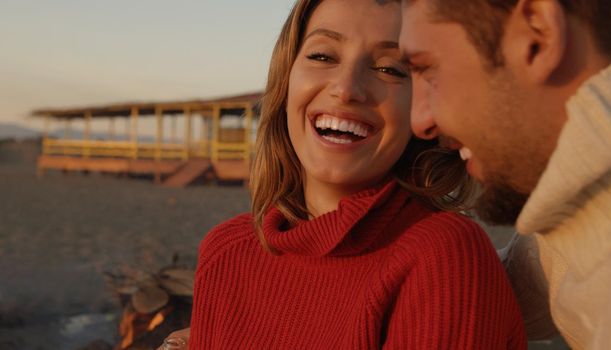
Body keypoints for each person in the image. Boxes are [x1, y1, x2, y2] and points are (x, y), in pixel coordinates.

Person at [160, 0, 527, 349]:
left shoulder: (442, 256)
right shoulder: (225, 250)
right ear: (286, 79)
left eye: (390, 69)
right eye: (322, 56)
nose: (346, 88)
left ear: (426, 104)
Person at [398, 0, 611, 348]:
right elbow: (460, 299)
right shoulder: (584, 228)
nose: (420, 121)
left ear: (538, 35)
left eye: (428, 70)